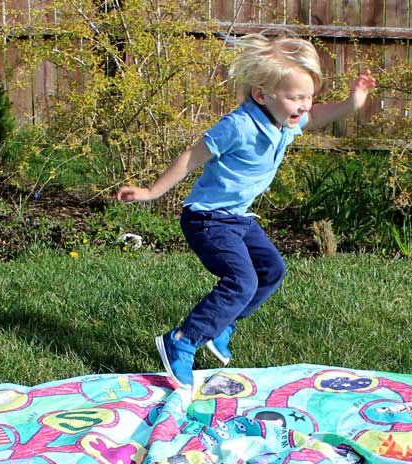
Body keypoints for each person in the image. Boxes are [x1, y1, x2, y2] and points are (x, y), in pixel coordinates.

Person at [115, 34, 377, 388]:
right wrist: (150, 192)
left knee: (272, 270)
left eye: (307, 97)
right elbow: (191, 158)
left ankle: (221, 324)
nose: (303, 106)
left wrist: (351, 103)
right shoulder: (237, 126)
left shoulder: (284, 119)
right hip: (207, 220)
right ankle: (183, 340)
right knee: (242, 281)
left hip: (236, 218)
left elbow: (316, 116)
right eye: (295, 97)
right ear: (261, 94)